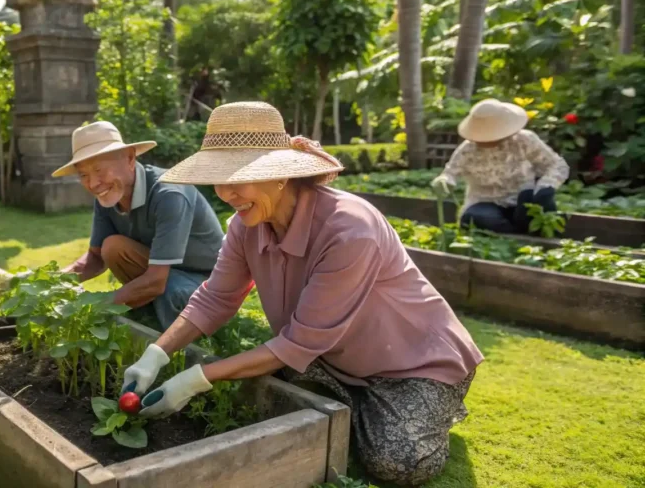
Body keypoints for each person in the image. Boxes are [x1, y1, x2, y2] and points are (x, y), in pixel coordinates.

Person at [120, 102, 483, 487]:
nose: (225, 193)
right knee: (276, 400)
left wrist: (194, 379)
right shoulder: (246, 224)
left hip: (415, 362)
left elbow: (297, 343)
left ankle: (418, 409)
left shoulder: (349, 229)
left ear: (278, 176)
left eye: (236, 178)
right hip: (328, 356)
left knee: (399, 464)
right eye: (217, 179)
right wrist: (155, 355)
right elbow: (216, 298)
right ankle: (363, 410)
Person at [52, 121, 225, 329]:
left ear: (130, 158)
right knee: (112, 246)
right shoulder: (108, 195)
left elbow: (156, 280)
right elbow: (96, 258)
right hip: (163, 269)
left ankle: (168, 334)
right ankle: (145, 309)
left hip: (209, 281)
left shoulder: (170, 194)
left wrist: (97, 305)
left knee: (172, 292)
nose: (93, 183)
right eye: (83, 175)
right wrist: (50, 284)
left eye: (99, 170)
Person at [431, 99, 569, 234]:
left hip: (524, 199)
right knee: (474, 219)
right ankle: (516, 233)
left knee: (538, 211)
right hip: (485, 202)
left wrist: (547, 186)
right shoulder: (468, 149)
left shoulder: (525, 140)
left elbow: (556, 165)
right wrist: (444, 181)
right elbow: (450, 172)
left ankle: (522, 227)